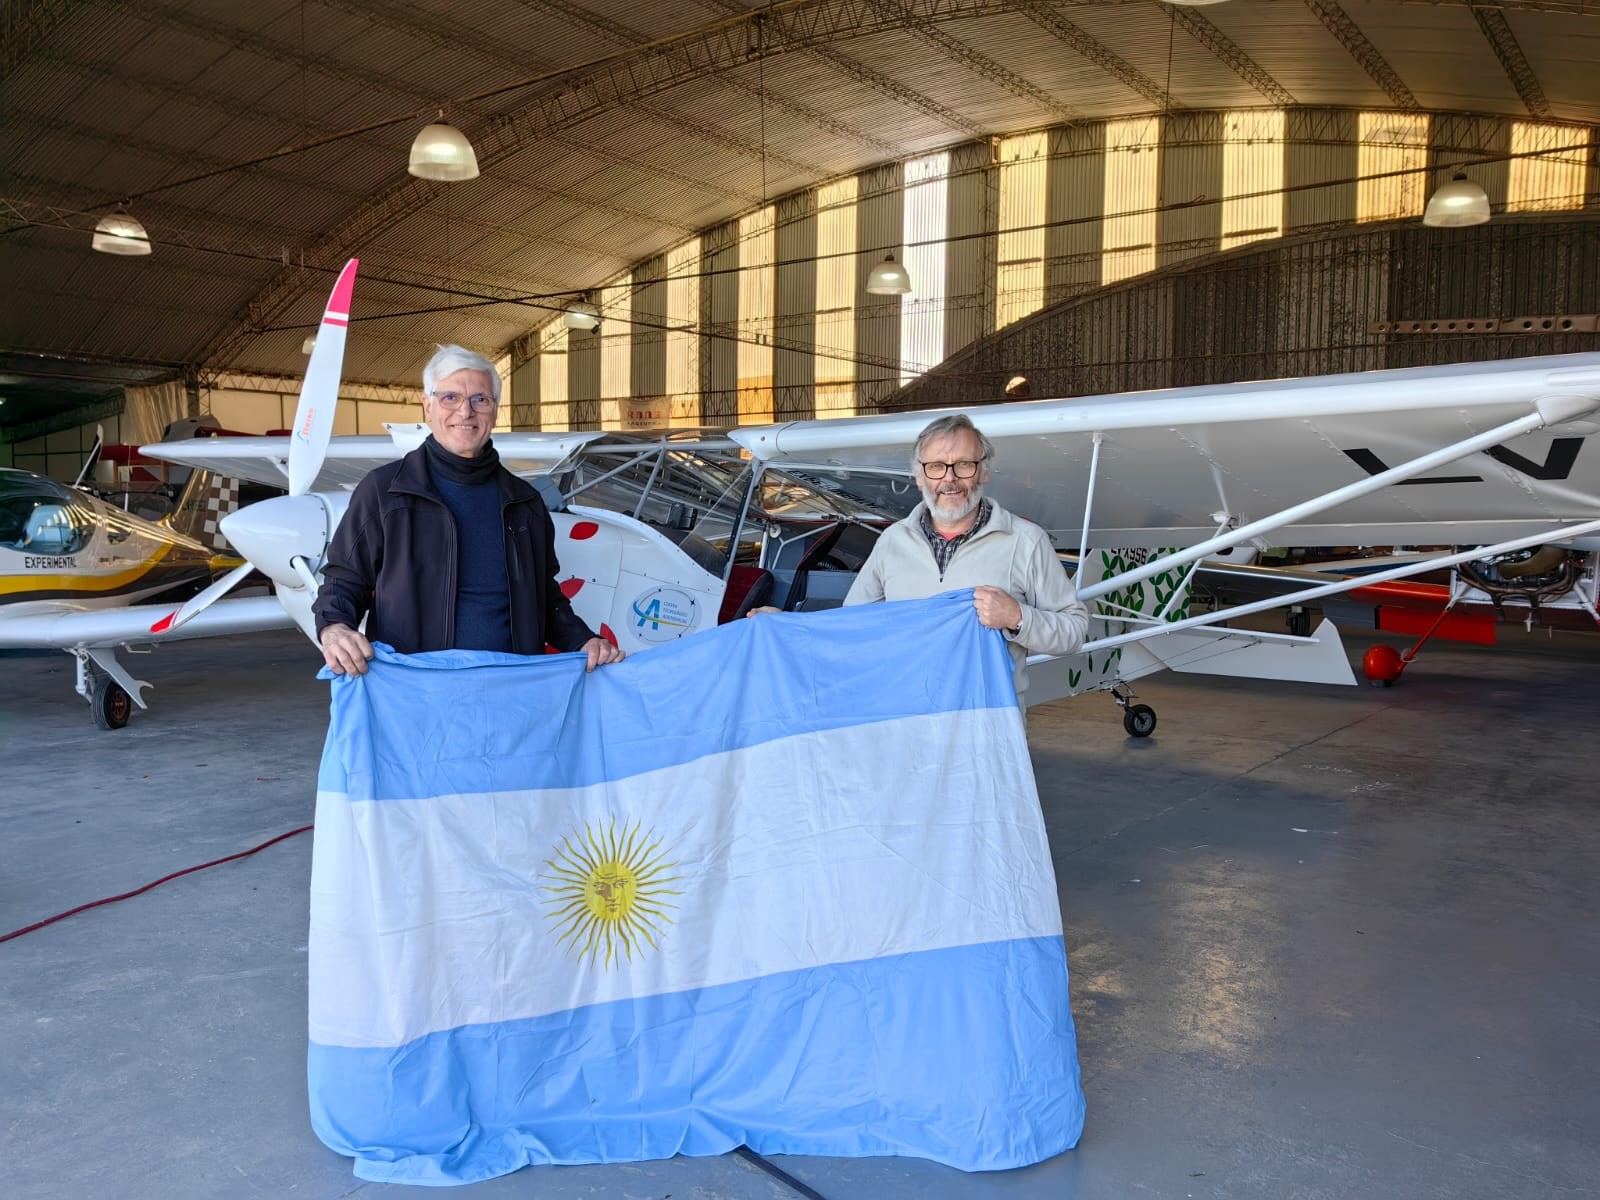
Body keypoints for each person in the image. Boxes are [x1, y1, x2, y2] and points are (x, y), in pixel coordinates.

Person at [313, 344, 624, 676]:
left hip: (511, 692)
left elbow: (545, 599)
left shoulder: (525, 503)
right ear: (427, 406)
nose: (465, 412)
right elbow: (344, 581)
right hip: (417, 692)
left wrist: (584, 641)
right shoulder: (383, 491)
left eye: (480, 400)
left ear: (495, 410)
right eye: (450, 398)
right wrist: (334, 628)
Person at [839, 413, 1090, 705]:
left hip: (987, 730)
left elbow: (1074, 631)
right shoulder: (892, 542)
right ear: (919, 478)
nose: (949, 478)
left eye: (964, 465)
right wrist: (785, 629)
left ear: (984, 472)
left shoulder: (1026, 541)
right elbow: (850, 626)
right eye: (936, 467)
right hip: (905, 724)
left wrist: (1016, 618)